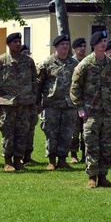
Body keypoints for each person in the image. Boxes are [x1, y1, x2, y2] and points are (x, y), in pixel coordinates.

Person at [70, 31, 111, 188]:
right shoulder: (85, 65)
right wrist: (79, 107)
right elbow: (75, 88)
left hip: (107, 112)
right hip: (91, 112)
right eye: (101, 41)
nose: (103, 44)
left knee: (106, 146)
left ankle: (103, 176)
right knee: (92, 145)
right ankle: (92, 177)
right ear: (94, 44)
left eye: (105, 41)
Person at [0, 33, 39, 172]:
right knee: (8, 133)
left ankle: (19, 160)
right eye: (15, 42)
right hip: (7, 104)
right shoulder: (0, 61)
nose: (18, 44)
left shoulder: (28, 61)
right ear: (8, 44)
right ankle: (8, 161)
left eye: (19, 41)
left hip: (24, 103)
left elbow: (35, 81)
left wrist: (33, 98)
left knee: (23, 132)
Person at [36, 34, 78, 170]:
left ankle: (62, 159)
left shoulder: (74, 64)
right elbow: (39, 84)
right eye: (62, 44)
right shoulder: (47, 63)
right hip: (51, 104)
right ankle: (51, 161)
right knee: (51, 133)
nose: (65, 47)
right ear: (56, 47)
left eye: (67, 44)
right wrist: (38, 103)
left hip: (69, 104)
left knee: (67, 133)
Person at [68, 37, 88, 163]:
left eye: (84, 46)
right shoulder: (70, 63)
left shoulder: (89, 62)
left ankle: (85, 155)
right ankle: (73, 154)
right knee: (74, 131)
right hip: (73, 102)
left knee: (87, 131)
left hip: (88, 101)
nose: (82, 49)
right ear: (74, 49)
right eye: (80, 46)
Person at [20, 44, 40, 164]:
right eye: (24, 53)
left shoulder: (31, 64)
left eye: (28, 53)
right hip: (18, 104)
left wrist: (36, 102)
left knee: (30, 129)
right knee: (19, 131)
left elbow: (36, 83)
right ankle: (18, 156)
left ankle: (28, 155)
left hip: (30, 103)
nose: (27, 55)